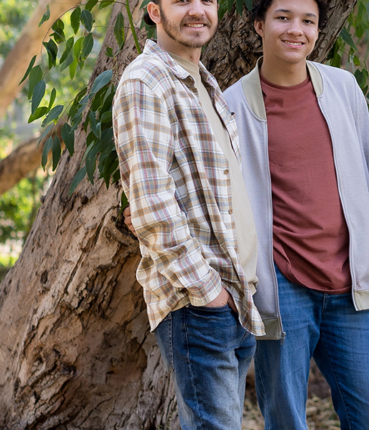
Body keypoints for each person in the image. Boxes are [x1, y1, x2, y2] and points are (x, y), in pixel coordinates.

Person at [220, 0, 369, 428]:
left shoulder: (343, 88)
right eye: (283, 17)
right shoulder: (231, 106)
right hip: (282, 286)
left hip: (350, 282)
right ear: (259, 25)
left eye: (308, 20)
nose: (295, 29)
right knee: (285, 419)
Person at [112, 0, 263, 428]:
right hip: (200, 303)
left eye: (208, 0)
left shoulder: (204, 82)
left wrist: (231, 294)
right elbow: (151, 204)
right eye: (182, 1)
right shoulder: (146, 82)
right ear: (153, 11)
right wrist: (208, 291)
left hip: (234, 297)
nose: (198, 10)